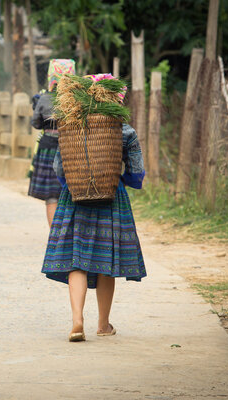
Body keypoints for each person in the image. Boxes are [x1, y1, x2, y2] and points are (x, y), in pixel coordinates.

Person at [42, 120, 147, 342]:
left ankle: (77, 321)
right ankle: (103, 324)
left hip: (75, 196)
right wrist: (119, 180)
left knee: (76, 260)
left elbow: (59, 167)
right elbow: (136, 171)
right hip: (111, 196)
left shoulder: (70, 126)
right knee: (105, 259)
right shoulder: (124, 129)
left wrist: (73, 182)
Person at [28, 59, 76, 227]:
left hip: (48, 146)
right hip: (71, 146)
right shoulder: (77, 99)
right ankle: (69, 234)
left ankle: (55, 236)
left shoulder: (44, 98)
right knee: (71, 192)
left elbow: (35, 124)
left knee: (51, 196)